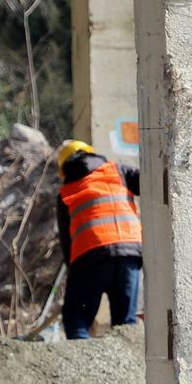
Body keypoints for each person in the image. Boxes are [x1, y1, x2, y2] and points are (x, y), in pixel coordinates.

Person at [53, 139, 142, 339]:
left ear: (64, 167)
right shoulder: (118, 171)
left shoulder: (65, 191)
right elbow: (151, 182)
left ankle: (84, 366)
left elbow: (67, 242)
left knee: (76, 321)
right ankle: (128, 369)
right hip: (128, 255)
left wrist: (73, 275)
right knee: (125, 324)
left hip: (88, 259)